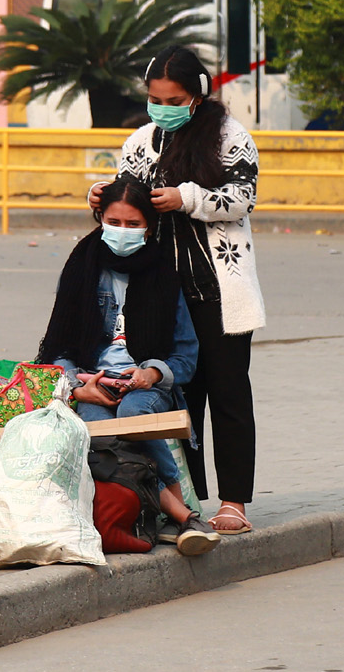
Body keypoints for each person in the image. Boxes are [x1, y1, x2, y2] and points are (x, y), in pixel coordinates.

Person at [89, 45, 265, 535]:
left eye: (173, 98)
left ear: (197, 95)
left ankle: (234, 502)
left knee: (228, 394)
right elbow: (127, 203)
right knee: (176, 398)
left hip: (218, 289)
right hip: (159, 292)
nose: (162, 107)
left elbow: (241, 198)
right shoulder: (142, 142)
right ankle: (186, 500)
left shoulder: (230, 138)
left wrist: (185, 197)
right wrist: (99, 196)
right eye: (154, 97)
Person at [38, 177, 220, 557]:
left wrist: (150, 374)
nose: (122, 231)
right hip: (93, 383)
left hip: (146, 386)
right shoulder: (81, 269)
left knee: (136, 413)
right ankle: (182, 516)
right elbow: (57, 348)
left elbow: (186, 356)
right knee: (101, 433)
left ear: (149, 227)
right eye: (114, 222)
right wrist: (76, 386)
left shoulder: (164, 274)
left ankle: (176, 516)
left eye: (133, 225)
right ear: (99, 219)